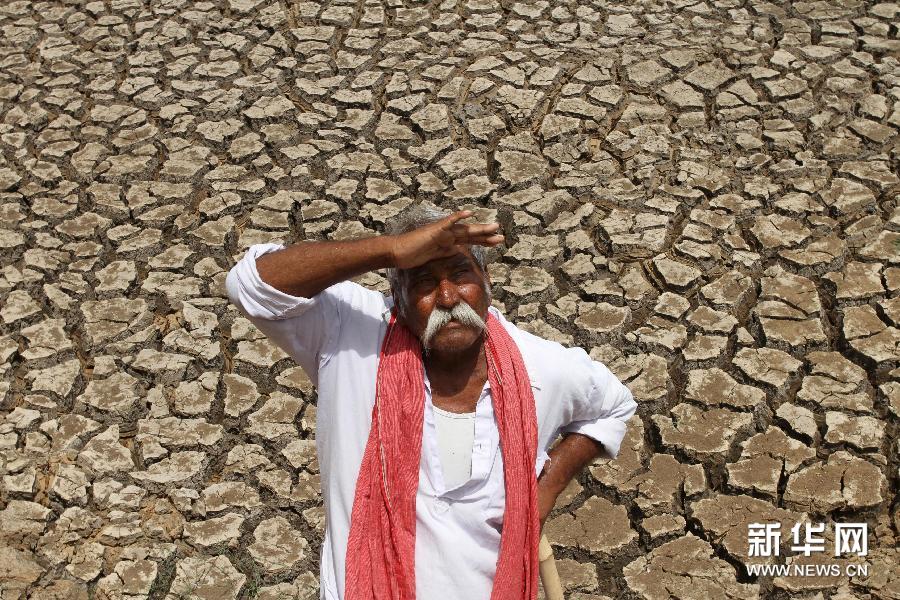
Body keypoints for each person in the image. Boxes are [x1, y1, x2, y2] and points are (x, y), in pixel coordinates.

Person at [225, 203, 637, 600]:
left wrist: (542, 494)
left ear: (487, 283)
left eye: (461, 275)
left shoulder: (541, 367)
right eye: (422, 282)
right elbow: (251, 285)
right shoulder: (351, 335)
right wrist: (391, 250)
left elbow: (612, 406)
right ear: (397, 300)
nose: (446, 297)